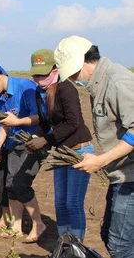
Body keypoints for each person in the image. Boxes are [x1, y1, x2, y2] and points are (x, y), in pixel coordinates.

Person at [54, 35, 134, 257]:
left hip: (131, 177)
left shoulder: (116, 81)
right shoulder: (98, 85)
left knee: (120, 245)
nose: (72, 78)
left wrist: (101, 160)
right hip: (121, 175)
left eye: (73, 72)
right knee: (109, 234)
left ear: (84, 62)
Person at [24, 49, 94, 241]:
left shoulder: (65, 88)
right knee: (60, 203)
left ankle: (77, 245)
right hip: (62, 152)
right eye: (37, 75)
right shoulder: (41, 93)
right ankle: (64, 244)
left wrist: (45, 140)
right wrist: (35, 137)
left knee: (73, 203)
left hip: (79, 150)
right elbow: (45, 124)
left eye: (44, 74)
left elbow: (73, 123)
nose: (40, 79)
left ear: (55, 70)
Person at [0, 63, 46, 243]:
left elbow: (41, 117)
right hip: (14, 144)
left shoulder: (26, 88)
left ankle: (38, 223)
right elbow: (5, 124)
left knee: (20, 183)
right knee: (9, 185)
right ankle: (16, 228)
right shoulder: (3, 96)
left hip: (33, 142)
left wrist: (18, 122)